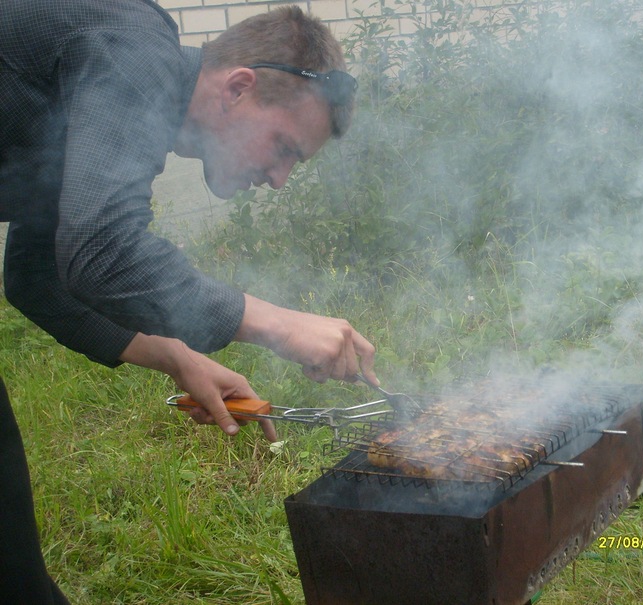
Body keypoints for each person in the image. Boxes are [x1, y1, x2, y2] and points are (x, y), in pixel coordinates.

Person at [0, 1, 376, 602]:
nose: (279, 179)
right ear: (237, 88)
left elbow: (36, 277)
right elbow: (102, 246)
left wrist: (178, 357)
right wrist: (278, 325)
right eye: (283, 147)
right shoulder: (133, 41)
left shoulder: (111, 91)